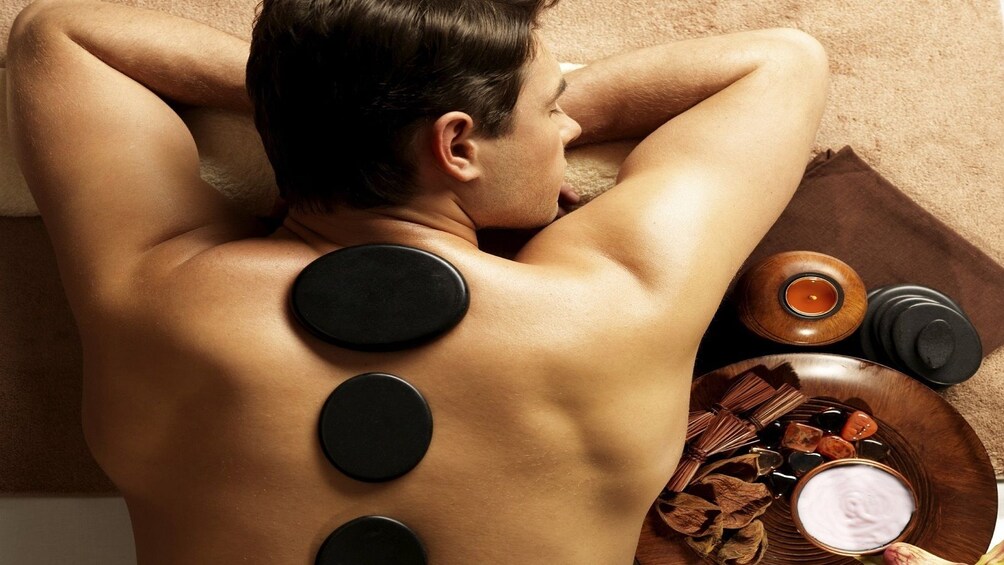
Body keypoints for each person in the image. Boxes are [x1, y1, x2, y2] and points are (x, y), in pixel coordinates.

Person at [4, 0, 845, 563]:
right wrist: (410, 107)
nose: (573, 128)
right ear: (457, 146)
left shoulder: (157, 292)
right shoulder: (620, 299)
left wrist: (331, 108)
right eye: (552, 106)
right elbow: (782, 63)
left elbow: (58, 35)